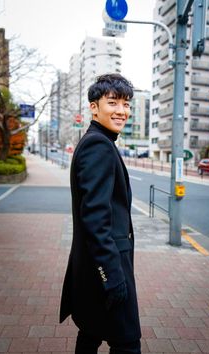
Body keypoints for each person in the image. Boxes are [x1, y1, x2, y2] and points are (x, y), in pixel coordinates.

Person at [60, 73, 141, 354]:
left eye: (126, 104)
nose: (121, 111)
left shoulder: (96, 141)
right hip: (106, 265)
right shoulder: (99, 146)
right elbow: (95, 218)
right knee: (127, 343)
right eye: (112, 102)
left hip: (93, 264)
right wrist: (112, 276)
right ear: (94, 107)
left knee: (91, 332)